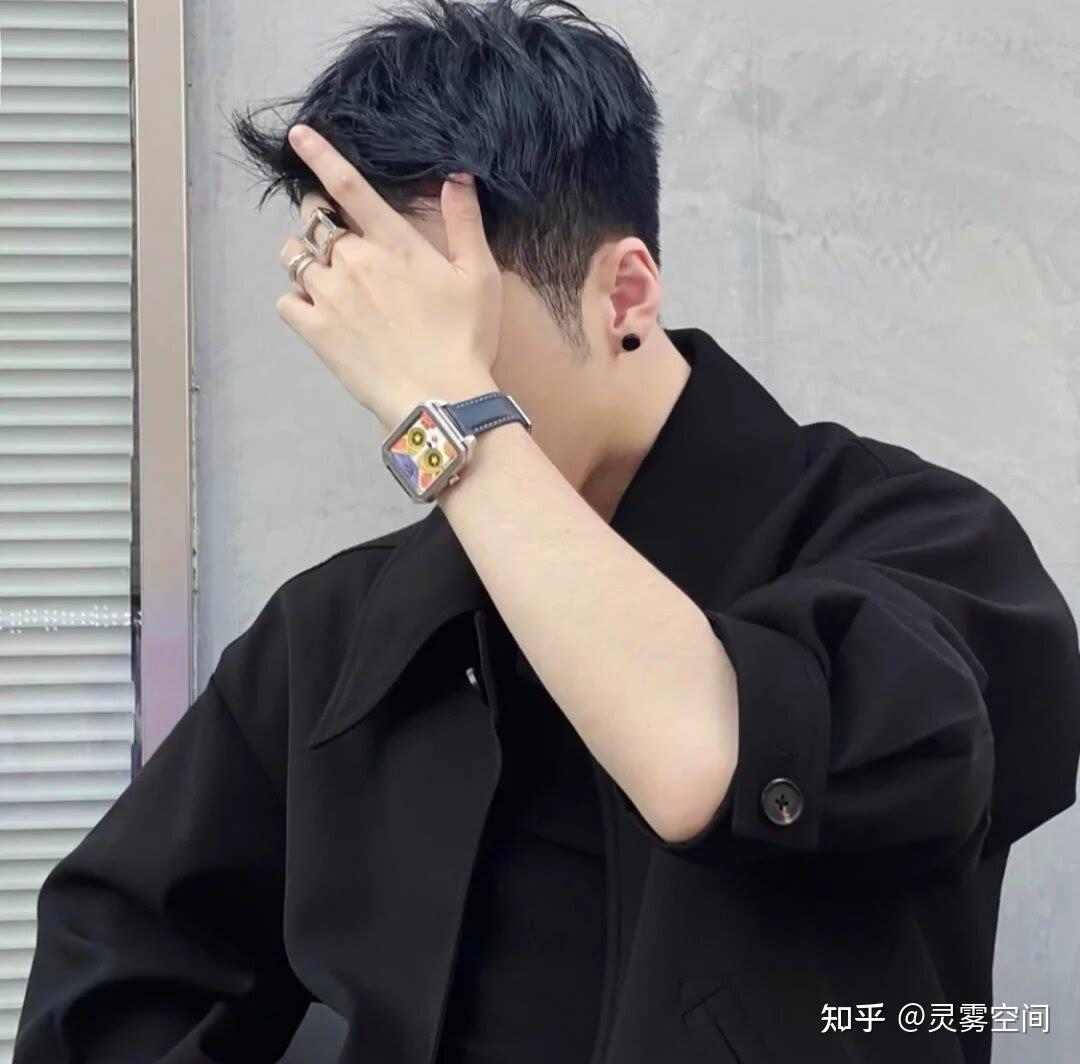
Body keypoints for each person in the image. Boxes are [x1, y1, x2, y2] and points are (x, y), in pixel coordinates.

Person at [14, 2, 1080, 1062]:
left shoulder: (926, 549)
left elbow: (712, 758)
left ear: (625, 294)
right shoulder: (339, 635)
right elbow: (112, 969)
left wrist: (451, 417)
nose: (399, 393)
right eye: (381, 336)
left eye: (445, 328)